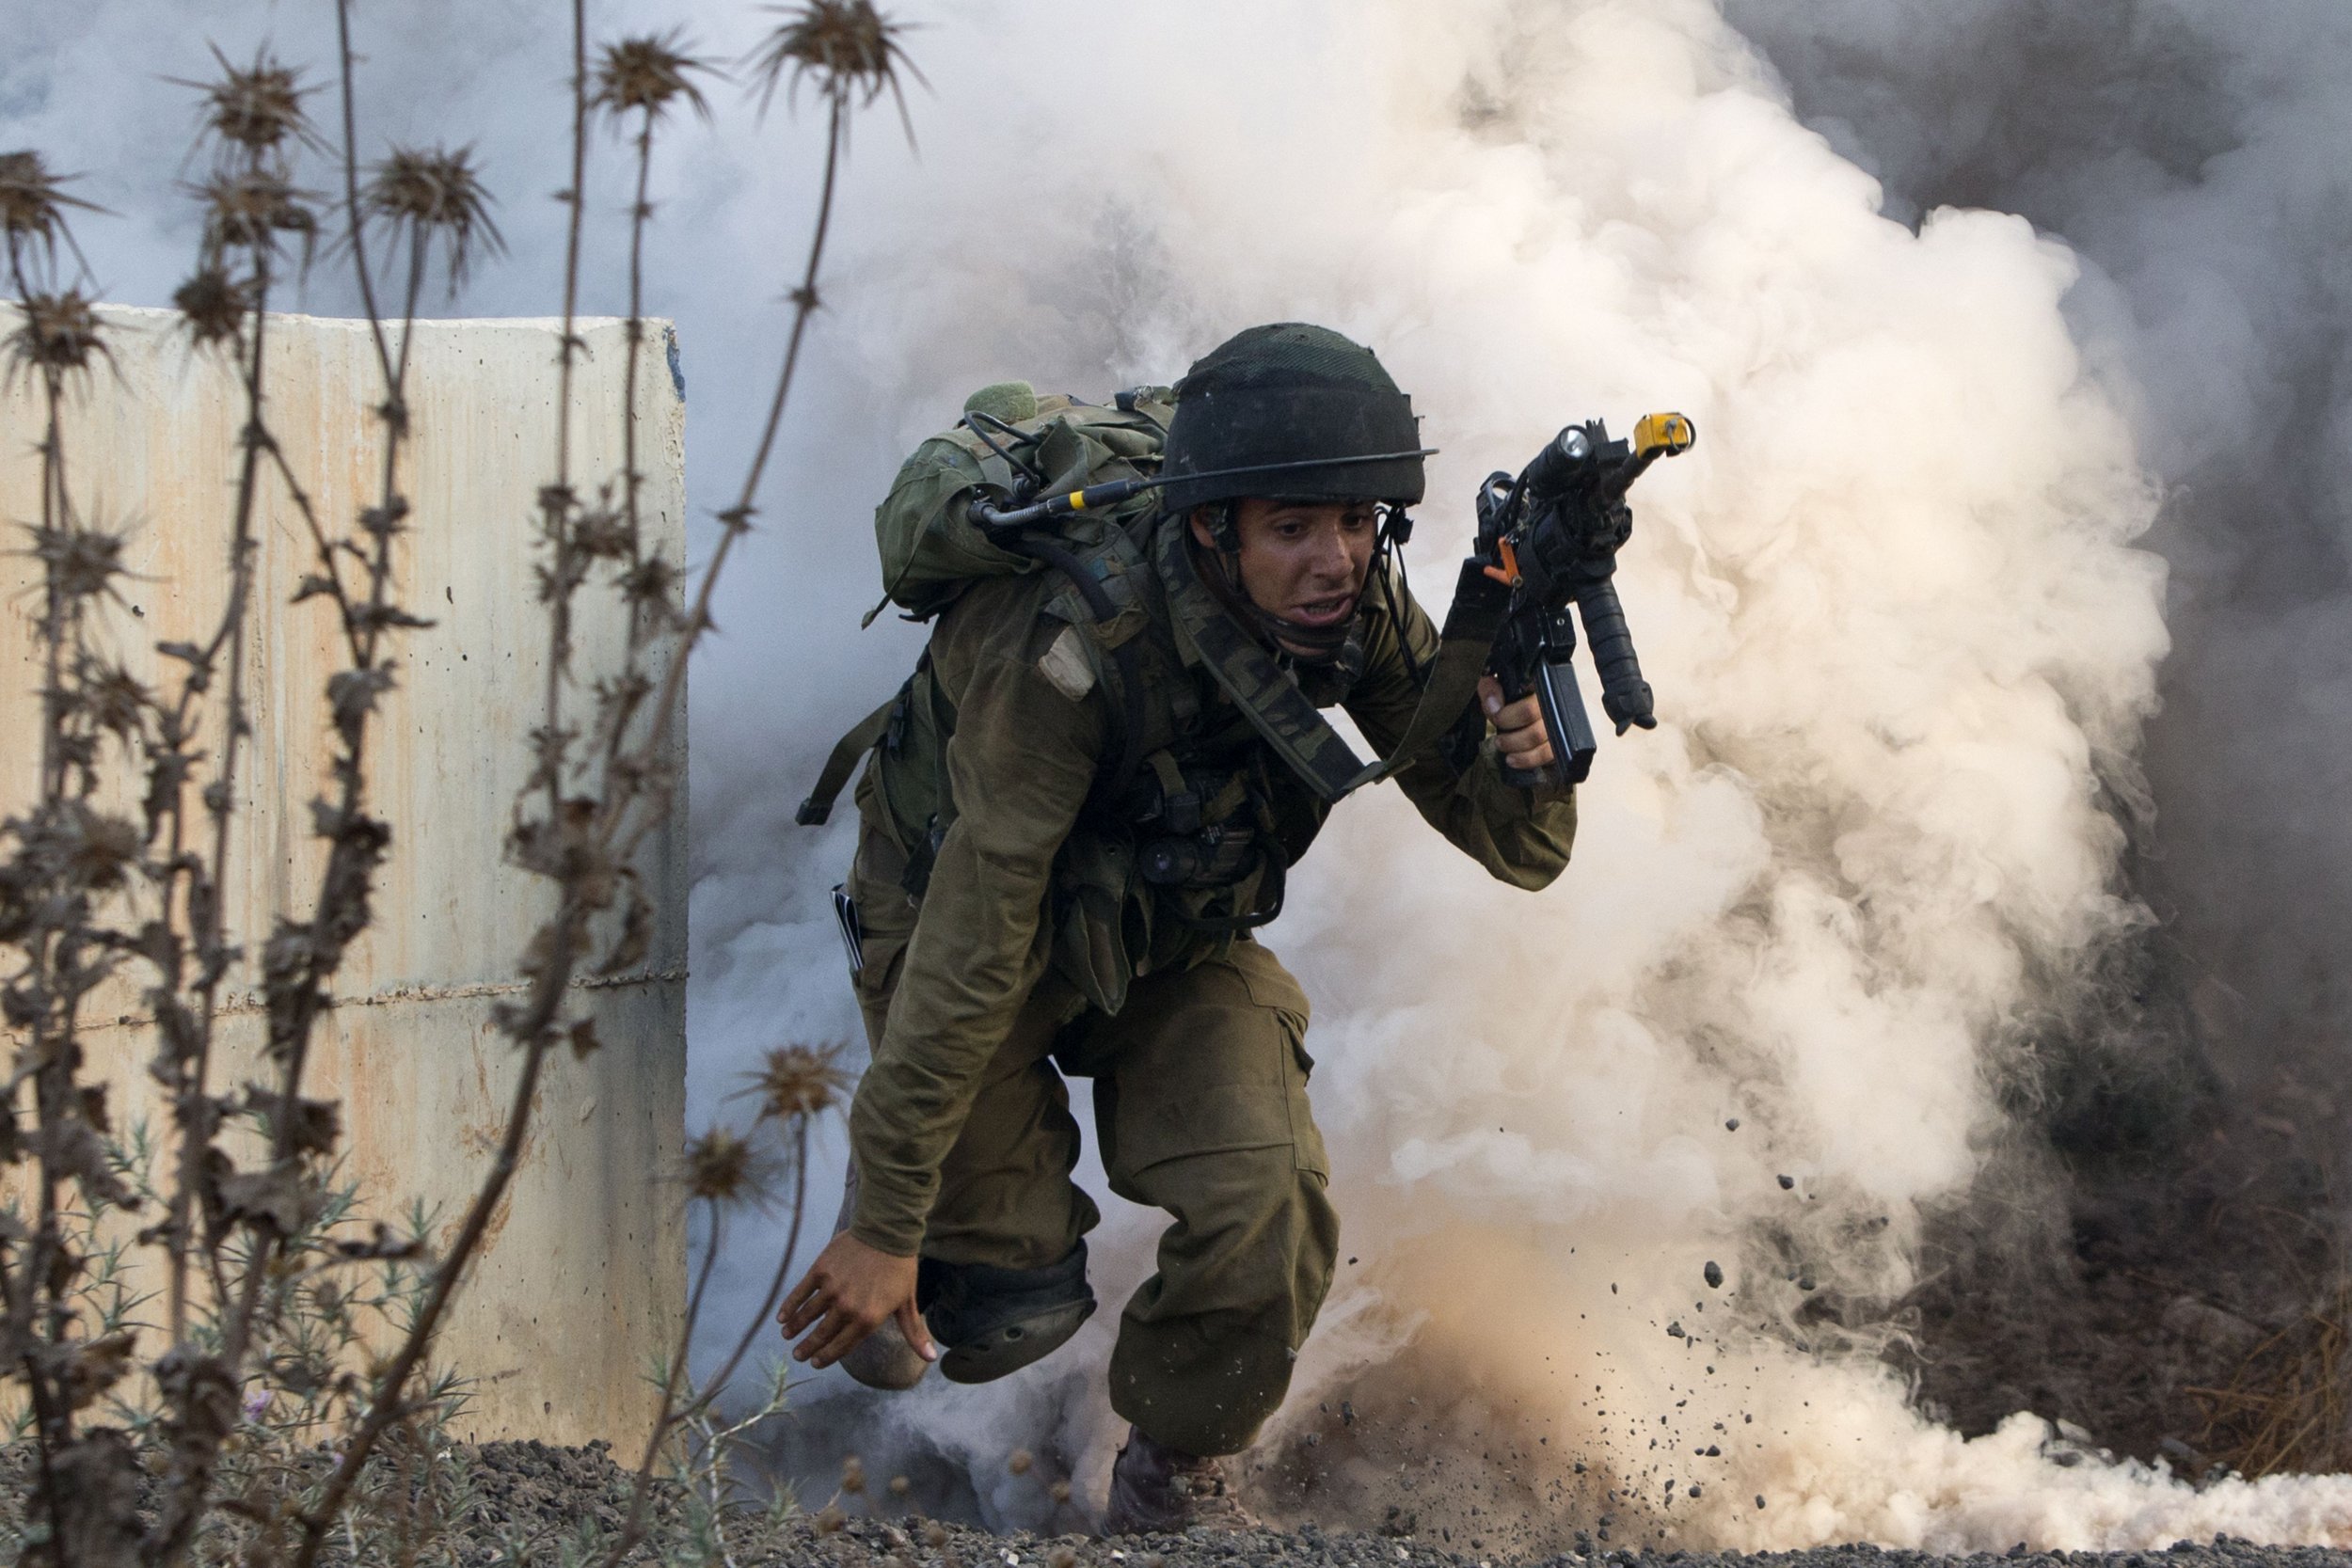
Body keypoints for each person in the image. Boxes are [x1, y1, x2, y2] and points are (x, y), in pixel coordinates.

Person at [778, 324, 1577, 1532]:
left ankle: (1172, 1490)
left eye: (1357, 522)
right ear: (1213, 526)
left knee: (1270, 1206)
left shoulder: (1354, 609)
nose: (1335, 560)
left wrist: (1527, 759)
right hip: (969, 926)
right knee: (1004, 1312)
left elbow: (1520, 849)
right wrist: (888, 1219)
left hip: (1165, 938)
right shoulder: (1067, 646)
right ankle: (923, 1223)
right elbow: (973, 937)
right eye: (1293, 528)